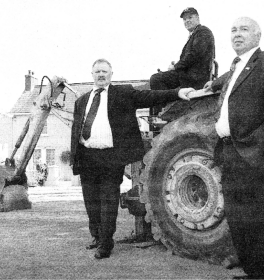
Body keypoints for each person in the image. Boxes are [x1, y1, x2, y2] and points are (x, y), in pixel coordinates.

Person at [204, 17, 264, 279]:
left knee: (256, 220)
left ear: (257, 36)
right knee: (237, 219)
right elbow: (235, 80)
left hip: (257, 153)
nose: (237, 34)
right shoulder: (237, 65)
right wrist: (214, 84)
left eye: (244, 29)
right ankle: (252, 272)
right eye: (233, 30)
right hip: (231, 151)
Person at [70, 58, 193, 259]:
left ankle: (106, 244)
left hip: (110, 157)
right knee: (90, 201)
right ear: (92, 75)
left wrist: (177, 92)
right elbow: (76, 129)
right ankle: (97, 236)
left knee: (108, 201)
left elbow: (149, 96)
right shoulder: (81, 101)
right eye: (97, 72)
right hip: (87, 157)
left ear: (111, 75)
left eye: (105, 72)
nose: (101, 75)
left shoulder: (122, 93)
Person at [150, 7, 215, 91]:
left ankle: (165, 104)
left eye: (190, 17)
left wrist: (175, 67)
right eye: (184, 19)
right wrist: (177, 64)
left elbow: (194, 55)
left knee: (156, 79)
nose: (187, 21)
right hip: (190, 75)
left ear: (197, 18)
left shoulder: (203, 32)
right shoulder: (196, 33)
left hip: (195, 78)